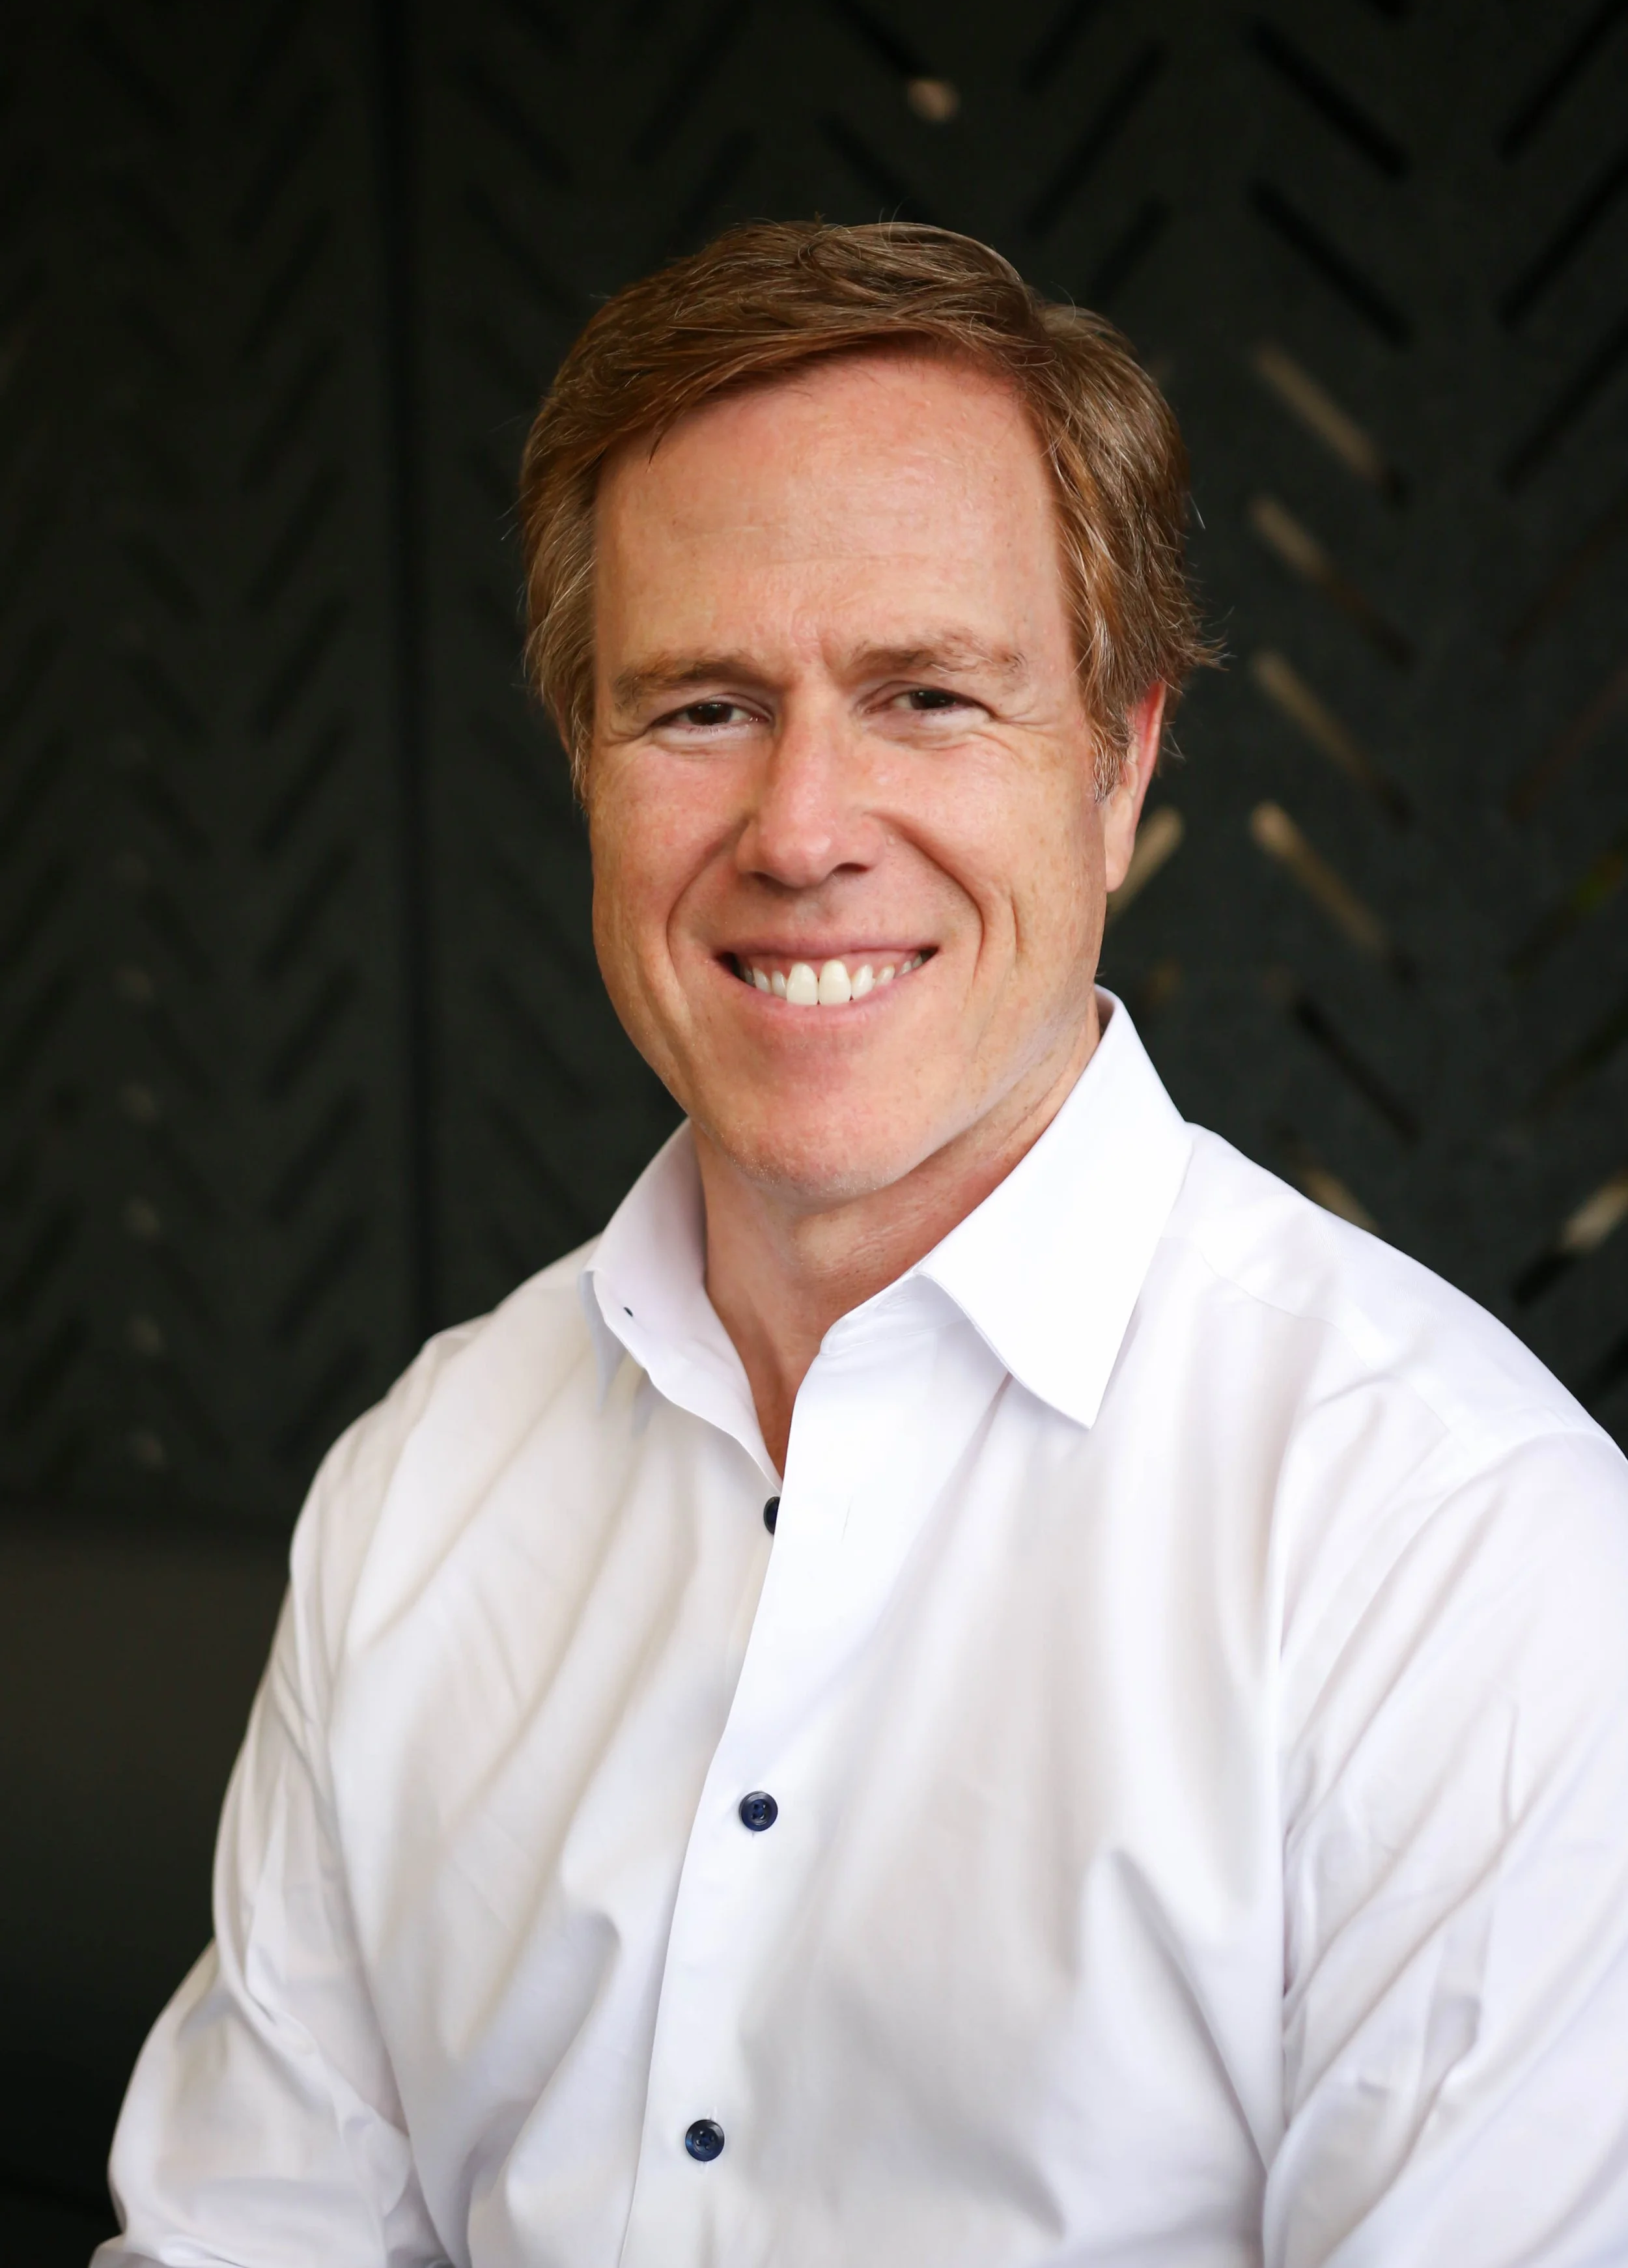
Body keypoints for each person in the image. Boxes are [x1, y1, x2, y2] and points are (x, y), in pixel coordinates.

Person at [100, 222, 1628, 2267]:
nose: (803, 825)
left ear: (1120, 761)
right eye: (701, 706)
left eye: (925, 693)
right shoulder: (420, 1483)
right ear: (582, 763)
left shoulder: (1458, 1548)